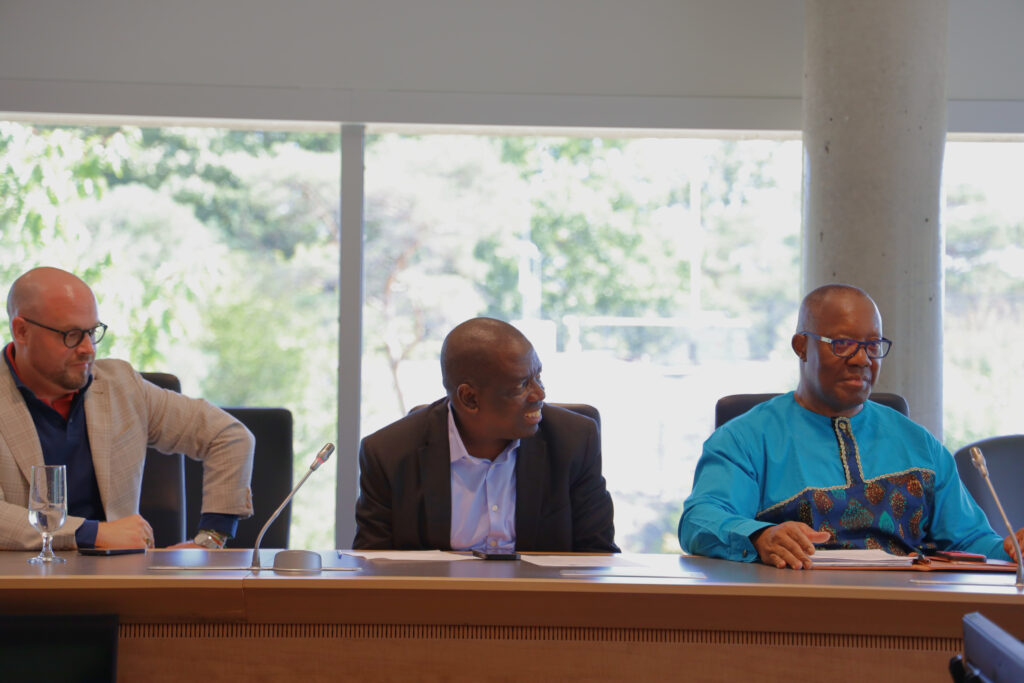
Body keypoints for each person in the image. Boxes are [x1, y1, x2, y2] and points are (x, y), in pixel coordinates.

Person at [679, 283, 1024, 569]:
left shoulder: (920, 446)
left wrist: (1010, 551)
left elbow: (970, 540)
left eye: (873, 346)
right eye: (842, 344)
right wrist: (759, 536)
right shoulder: (746, 438)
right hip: (792, 611)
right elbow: (700, 519)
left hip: (908, 612)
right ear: (802, 346)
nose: (862, 360)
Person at [1, 267, 254, 551]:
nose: (87, 349)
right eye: (71, 335)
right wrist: (91, 533)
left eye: (92, 332)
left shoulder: (121, 386)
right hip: (19, 587)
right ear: (21, 331)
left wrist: (211, 540)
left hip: (119, 585)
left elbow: (229, 436)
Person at [354, 317, 618, 552]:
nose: (540, 395)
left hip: (542, 603)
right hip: (436, 604)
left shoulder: (574, 441)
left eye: (538, 377)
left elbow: (598, 557)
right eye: (522, 384)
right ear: (470, 398)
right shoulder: (388, 454)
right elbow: (374, 568)